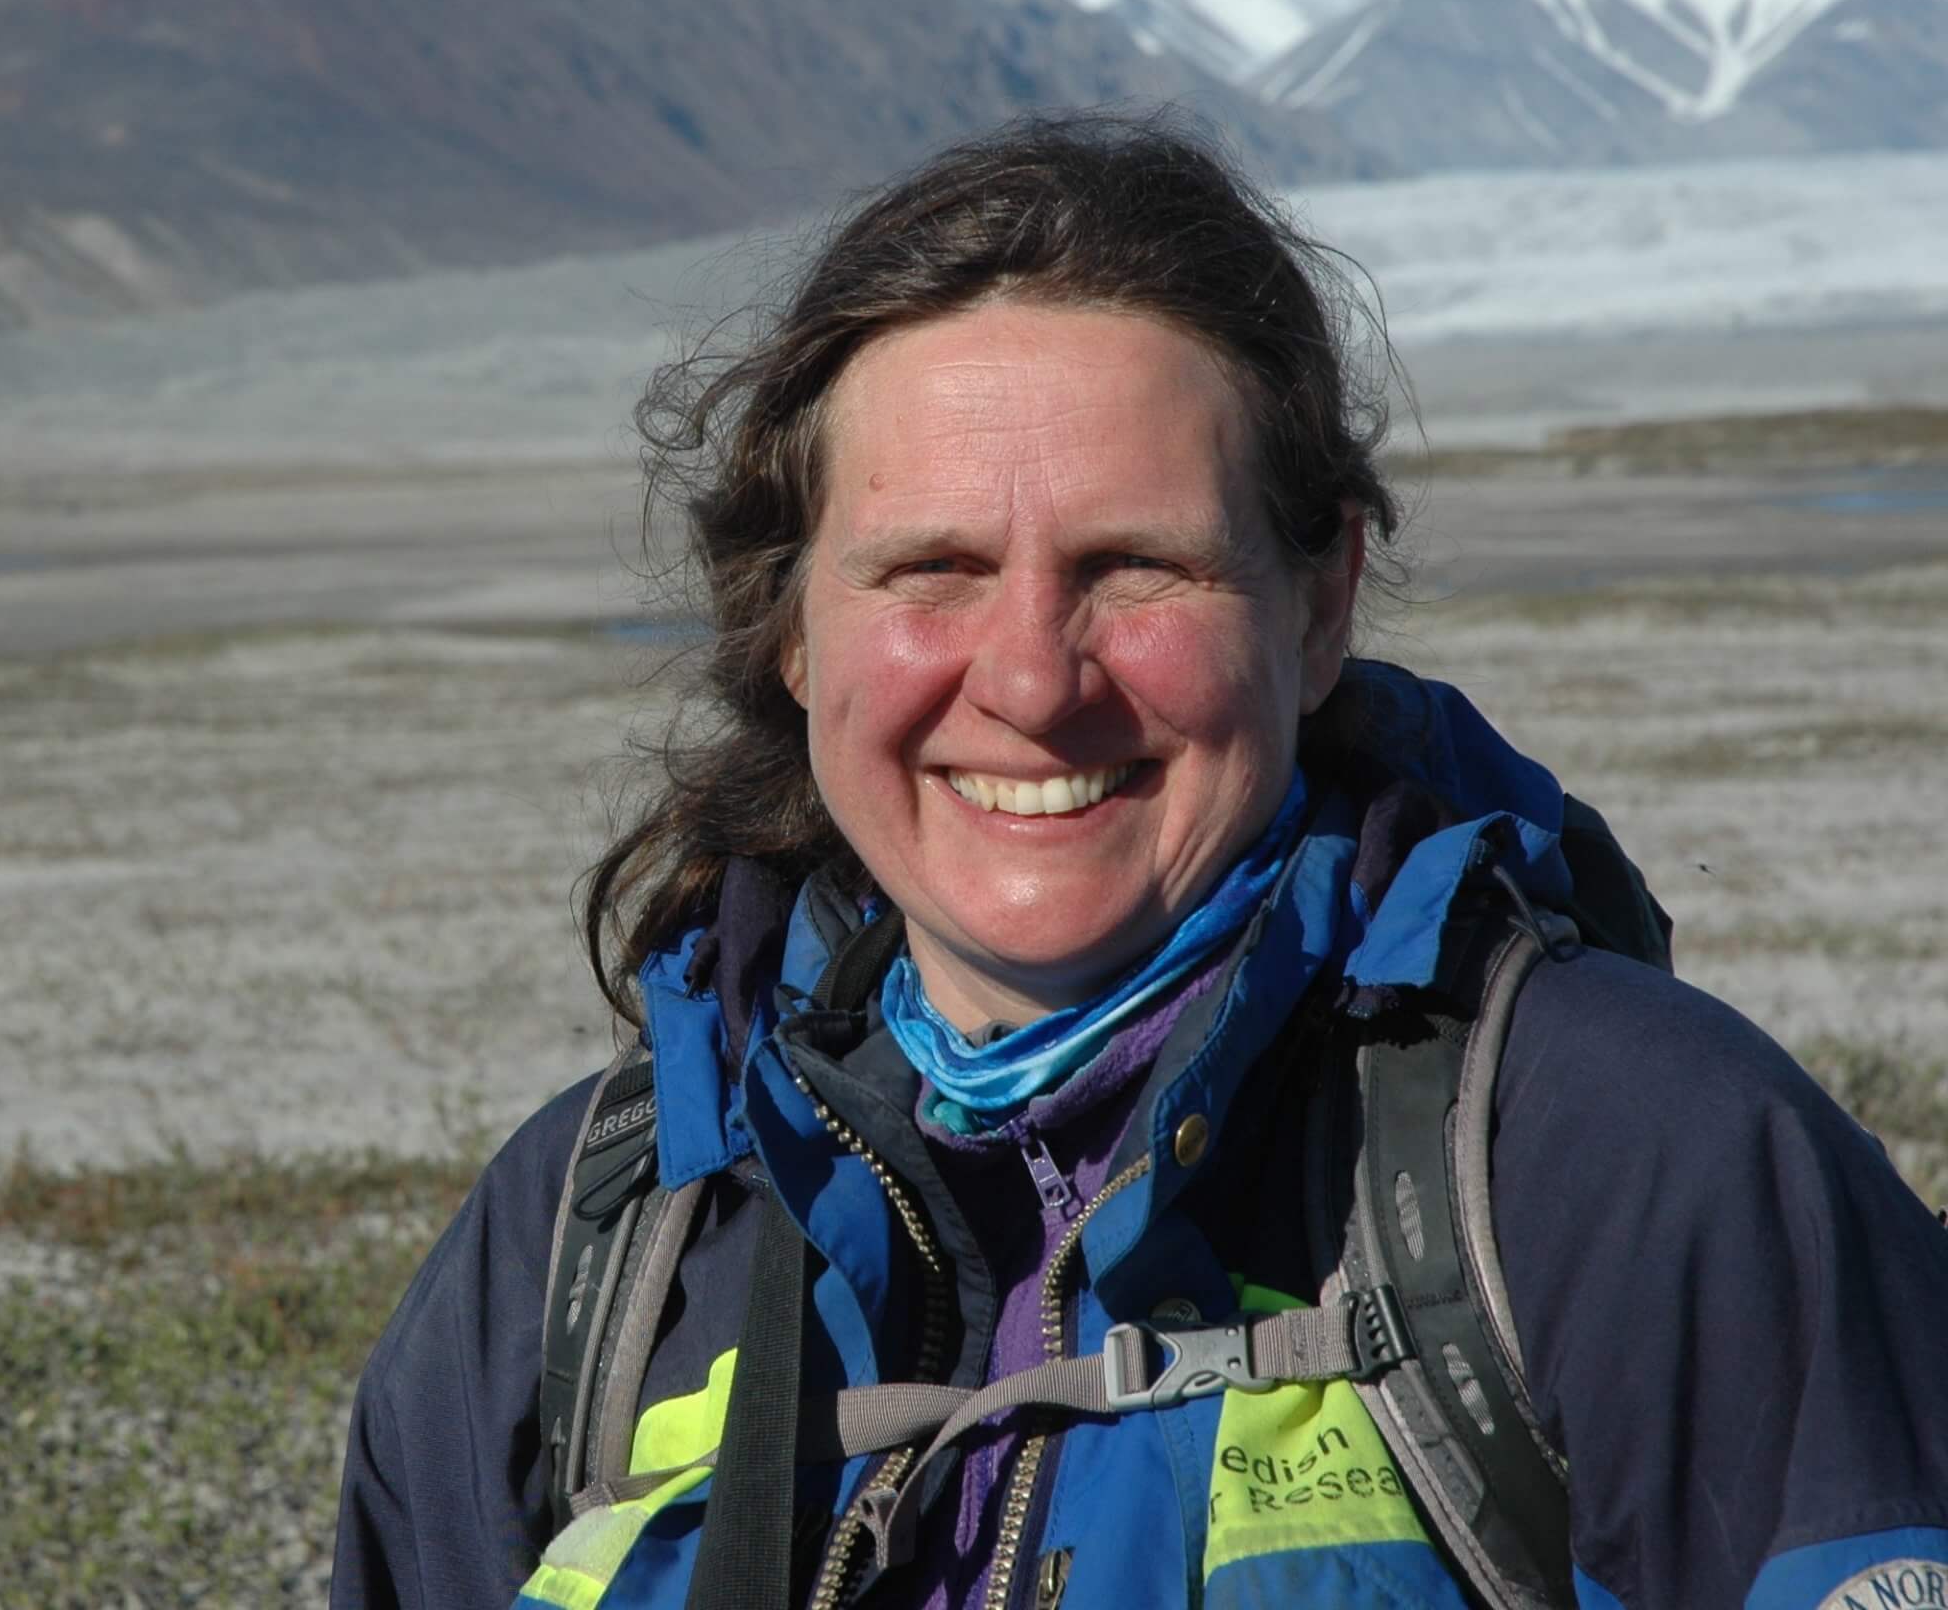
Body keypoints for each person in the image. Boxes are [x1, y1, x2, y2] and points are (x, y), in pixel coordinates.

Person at [329, 112, 1948, 1610]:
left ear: (1318, 610)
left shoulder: (1633, 1159)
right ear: (793, 633)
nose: (1033, 681)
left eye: (1134, 566)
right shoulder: (588, 1246)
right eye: (932, 568)